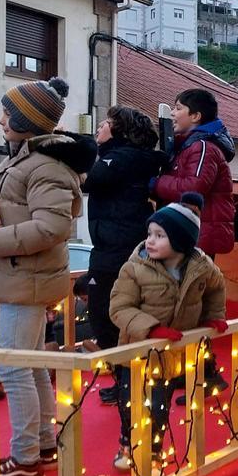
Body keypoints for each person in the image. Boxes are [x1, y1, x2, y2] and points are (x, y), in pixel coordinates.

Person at [0, 77, 96, 476]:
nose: (1, 119)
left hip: (25, 282)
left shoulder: (44, 166)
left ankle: (25, 459)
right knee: (31, 367)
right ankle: (43, 447)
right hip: (21, 279)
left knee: (15, 369)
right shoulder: (26, 160)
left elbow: (51, 228)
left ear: (27, 120)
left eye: (8, 112)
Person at [109, 193, 227, 473]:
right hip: (136, 353)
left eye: (159, 235)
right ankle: (128, 443)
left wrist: (214, 316)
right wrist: (151, 328)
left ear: (181, 241)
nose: (150, 240)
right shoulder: (135, 269)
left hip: (172, 354)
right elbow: (119, 307)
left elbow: (216, 287)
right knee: (131, 405)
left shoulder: (201, 267)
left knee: (159, 406)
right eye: (149, 233)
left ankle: (153, 450)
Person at [83, 106, 167, 350]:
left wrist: (95, 151)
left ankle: (122, 376)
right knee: (121, 313)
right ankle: (126, 377)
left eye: (107, 122)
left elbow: (90, 181)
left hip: (114, 248)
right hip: (122, 244)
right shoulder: (136, 158)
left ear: (121, 131)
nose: (100, 126)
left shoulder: (120, 159)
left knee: (104, 313)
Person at [152, 88, 235, 258]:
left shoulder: (203, 146)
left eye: (178, 108)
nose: (173, 113)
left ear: (195, 116)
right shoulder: (187, 145)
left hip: (196, 237)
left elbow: (193, 187)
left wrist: (157, 183)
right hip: (190, 234)